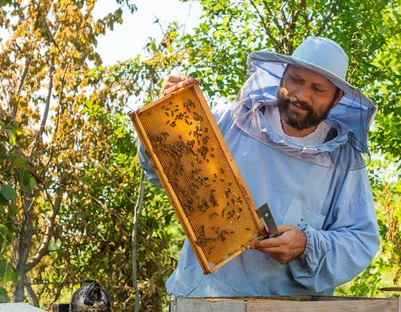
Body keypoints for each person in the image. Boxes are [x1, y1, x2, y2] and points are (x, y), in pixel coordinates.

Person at [137, 36, 379, 296]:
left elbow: (360, 240)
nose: (302, 95)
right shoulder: (228, 122)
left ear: (336, 97)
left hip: (289, 305)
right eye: (296, 80)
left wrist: (307, 244)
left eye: (318, 89)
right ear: (283, 75)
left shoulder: (343, 161)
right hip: (205, 296)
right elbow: (164, 169)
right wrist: (169, 115)